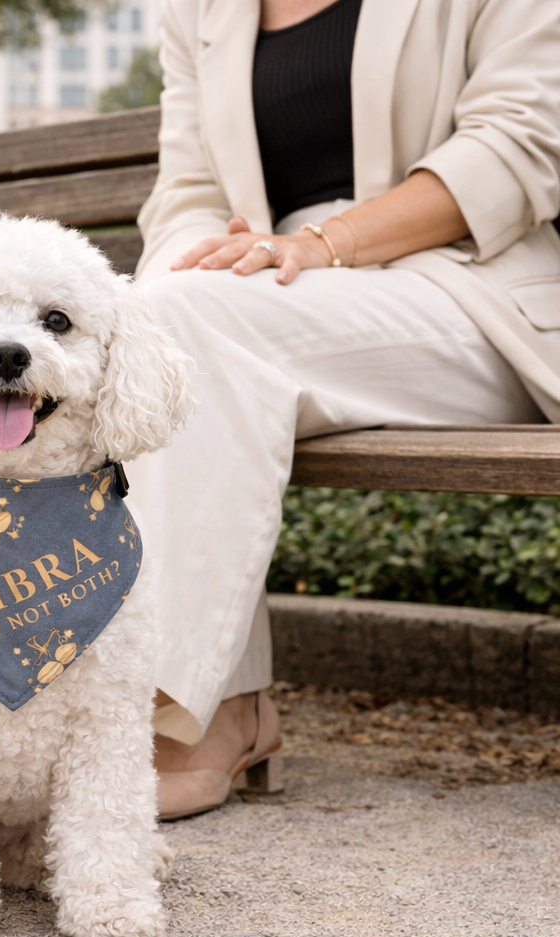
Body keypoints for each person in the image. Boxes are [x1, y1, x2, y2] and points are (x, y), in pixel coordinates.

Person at [129, 0, 560, 820]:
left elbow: (518, 146)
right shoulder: (199, 10)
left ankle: (184, 710)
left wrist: (326, 245)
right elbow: (188, 189)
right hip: (266, 296)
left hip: (466, 286)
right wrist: (193, 269)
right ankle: (199, 703)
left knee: (181, 328)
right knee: (122, 338)